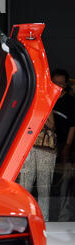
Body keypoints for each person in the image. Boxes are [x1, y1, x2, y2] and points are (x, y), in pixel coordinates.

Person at [19, 112, 57, 222]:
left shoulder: (46, 108)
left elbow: (52, 126)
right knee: (25, 187)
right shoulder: (28, 104)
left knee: (43, 188)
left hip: (44, 149)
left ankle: (44, 220)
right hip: (28, 147)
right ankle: (23, 218)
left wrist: (40, 115)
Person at [51, 69, 75, 221]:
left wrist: (67, 146)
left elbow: (73, 125)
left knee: (65, 182)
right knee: (50, 182)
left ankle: (63, 217)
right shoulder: (48, 98)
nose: (58, 86)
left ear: (66, 84)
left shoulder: (71, 103)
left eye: (61, 83)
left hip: (65, 146)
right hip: (48, 147)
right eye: (55, 82)